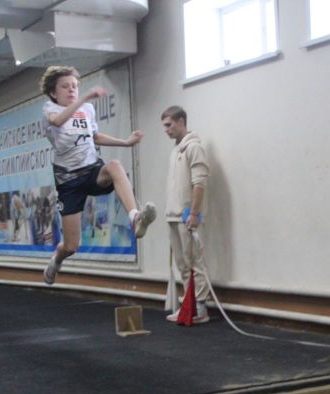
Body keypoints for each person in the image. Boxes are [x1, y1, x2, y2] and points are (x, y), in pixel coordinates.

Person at [39, 65, 156, 285]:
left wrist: (125, 142)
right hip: (68, 180)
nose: (72, 90)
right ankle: (56, 260)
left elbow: (94, 136)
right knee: (72, 246)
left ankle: (135, 218)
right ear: (54, 92)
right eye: (65, 87)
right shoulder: (49, 109)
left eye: (75, 86)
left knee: (114, 166)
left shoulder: (87, 109)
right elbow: (57, 121)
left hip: (91, 169)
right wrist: (84, 97)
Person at [161, 105, 210, 323]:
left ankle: (201, 308)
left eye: (169, 125)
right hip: (172, 215)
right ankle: (188, 306)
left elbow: (199, 183)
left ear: (181, 121)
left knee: (194, 262)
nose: (166, 130)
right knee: (182, 264)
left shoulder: (194, 148)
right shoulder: (175, 150)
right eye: (164, 126)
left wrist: (194, 213)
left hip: (187, 216)